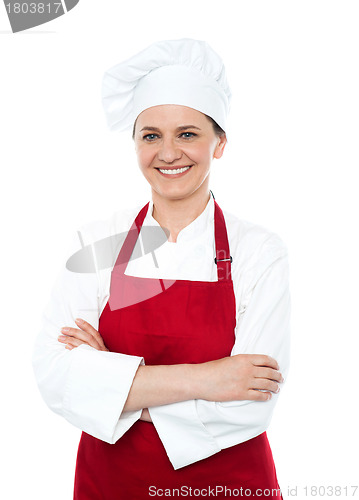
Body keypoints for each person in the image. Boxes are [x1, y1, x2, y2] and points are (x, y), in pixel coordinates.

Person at [32, 38, 290, 499]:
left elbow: (254, 401)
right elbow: (57, 378)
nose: (168, 153)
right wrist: (207, 379)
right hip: (111, 484)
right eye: (151, 135)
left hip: (229, 487)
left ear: (221, 143)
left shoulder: (259, 251)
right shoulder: (97, 242)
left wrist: (109, 380)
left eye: (187, 134)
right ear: (134, 143)